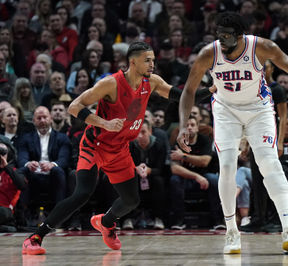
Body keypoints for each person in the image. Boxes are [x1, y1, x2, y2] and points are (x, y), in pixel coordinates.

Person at [22, 41, 213, 255]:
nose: (152, 64)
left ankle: (106, 222)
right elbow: (74, 107)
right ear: (133, 62)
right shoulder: (111, 83)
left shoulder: (152, 82)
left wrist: (214, 89)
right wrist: (104, 123)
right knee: (82, 193)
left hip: (119, 148)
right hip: (95, 145)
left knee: (132, 200)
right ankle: (36, 237)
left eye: (153, 60)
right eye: (147, 60)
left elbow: (184, 96)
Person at [177, 12, 288, 254]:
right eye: (219, 36)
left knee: (269, 163)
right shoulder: (209, 53)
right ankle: (231, 232)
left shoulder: (262, 47)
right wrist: (183, 124)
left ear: (240, 36)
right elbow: (188, 91)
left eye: (227, 37)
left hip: (259, 110)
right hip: (226, 111)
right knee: (226, 166)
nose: (222, 42)